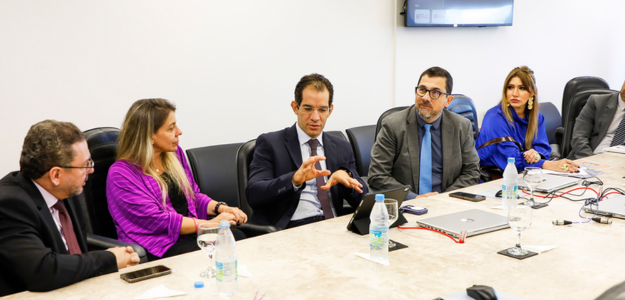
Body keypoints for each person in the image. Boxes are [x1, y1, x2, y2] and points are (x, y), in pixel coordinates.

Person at [0, 120, 139, 296]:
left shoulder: (65, 189)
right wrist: (109, 258)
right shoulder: (9, 204)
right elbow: (43, 271)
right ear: (56, 175)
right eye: (85, 164)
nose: (91, 170)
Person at [106, 98, 248, 261]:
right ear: (149, 135)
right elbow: (156, 220)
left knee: (237, 235)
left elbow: (193, 196)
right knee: (228, 242)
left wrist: (221, 208)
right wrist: (210, 225)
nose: (179, 131)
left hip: (187, 237)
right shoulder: (121, 174)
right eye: (171, 128)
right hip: (157, 246)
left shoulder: (174, 154)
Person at [246, 73, 367, 229]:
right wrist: (293, 180)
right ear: (295, 107)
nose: (315, 117)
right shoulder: (270, 143)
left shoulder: (341, 146)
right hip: (292, 228)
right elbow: (254, 194)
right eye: (308, 109)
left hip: (334, 226)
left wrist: (347, 179)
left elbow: (363, 200)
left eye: (322, 110)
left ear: (330, 110)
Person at [369, 66, 480, 199]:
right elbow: (377, 175)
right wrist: (413, 198)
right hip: (406, 205)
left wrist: (444, 198)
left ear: (448, 101)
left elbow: (471, 172)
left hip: (448, 203)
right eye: (422, 90)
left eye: (435, 93)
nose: (426, 97)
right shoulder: (393, 125)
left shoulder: (461, 126)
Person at [476, 66, 578, 173]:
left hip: (525, 173)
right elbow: (512, 160)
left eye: (522, 88)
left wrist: (535, 154)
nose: (515, 93)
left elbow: (543, 149)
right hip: (492, 176)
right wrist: (549, 165)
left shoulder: (537, 117)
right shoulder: (494, 117)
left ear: (532, 92)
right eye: (510, 87)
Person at [569, 66, 625, 159]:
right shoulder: (596, 102)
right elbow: (579, 138)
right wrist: (591, 163)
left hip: (621, 163)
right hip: (589, 158)